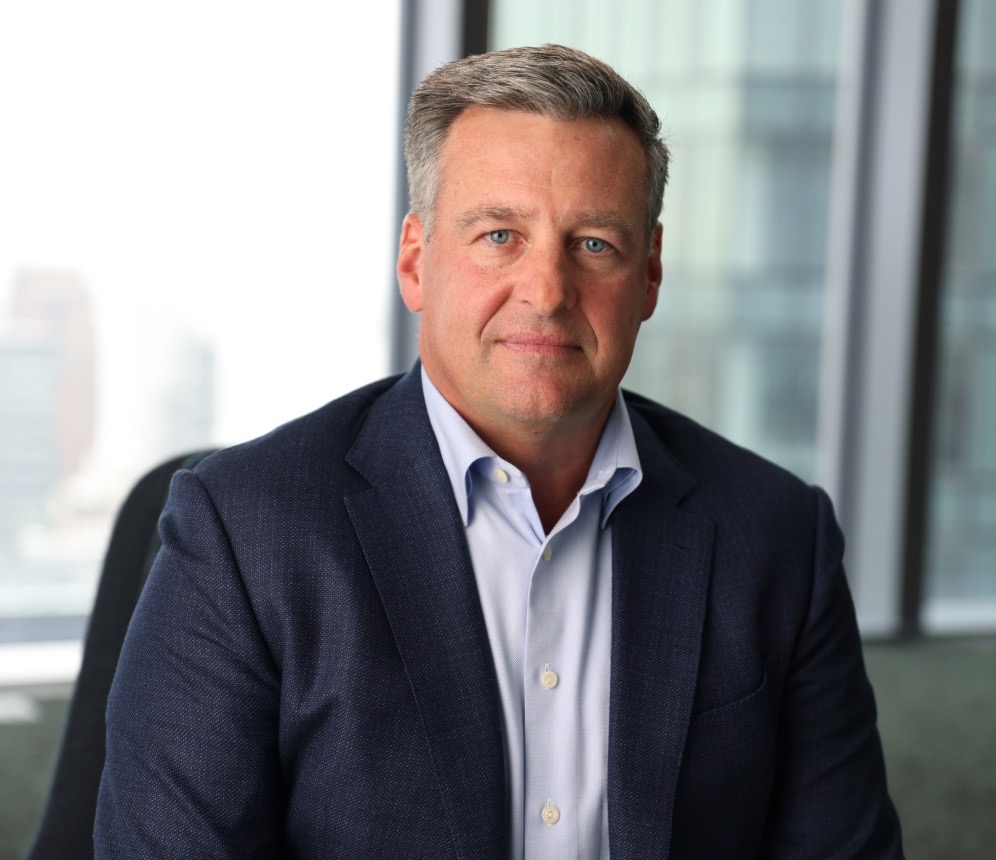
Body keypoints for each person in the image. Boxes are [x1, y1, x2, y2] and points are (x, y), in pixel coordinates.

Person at [95, 44, 904, 858]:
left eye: (594, 244)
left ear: (650, 275)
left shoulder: (776, 537)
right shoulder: (246, 532)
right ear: (417, 262)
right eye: (498, 235)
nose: (547, 290)